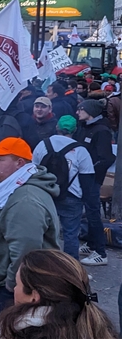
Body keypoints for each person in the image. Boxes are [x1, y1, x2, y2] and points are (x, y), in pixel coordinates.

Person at [0, 137, 61, 324]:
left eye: (0, 159)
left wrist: (12, 285)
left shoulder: (25, 200)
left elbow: (26, 249)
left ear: (20, 162)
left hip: (8, 290)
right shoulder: (10, 186)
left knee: (7, 330)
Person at [0, 249, 117, 339]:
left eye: (17, 283)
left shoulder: (14, 332)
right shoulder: (97, 325)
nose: (14, 288)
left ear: (34, 296)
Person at [31, 115, 93, 259]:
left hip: (45, 193)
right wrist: (86, 199)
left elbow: (33, 169)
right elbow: (87, 178)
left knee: (44, 231)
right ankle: (69, 267)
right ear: (75, 129)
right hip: (71, 196)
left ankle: (41, 262)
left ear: (57, 127)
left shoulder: (43, 144)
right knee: (71, 233)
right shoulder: (80, 150)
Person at [74, 99, 114, 266]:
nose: (77, 112)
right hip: (83, 177)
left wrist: (91, 172)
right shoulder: (85, 127)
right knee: (89, 212)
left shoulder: (101, 131)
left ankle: (100, 252)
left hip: (92, 179)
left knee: (93, 213)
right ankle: (91, 244)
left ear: (90, 111)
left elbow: (107, 158)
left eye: (80, 109)